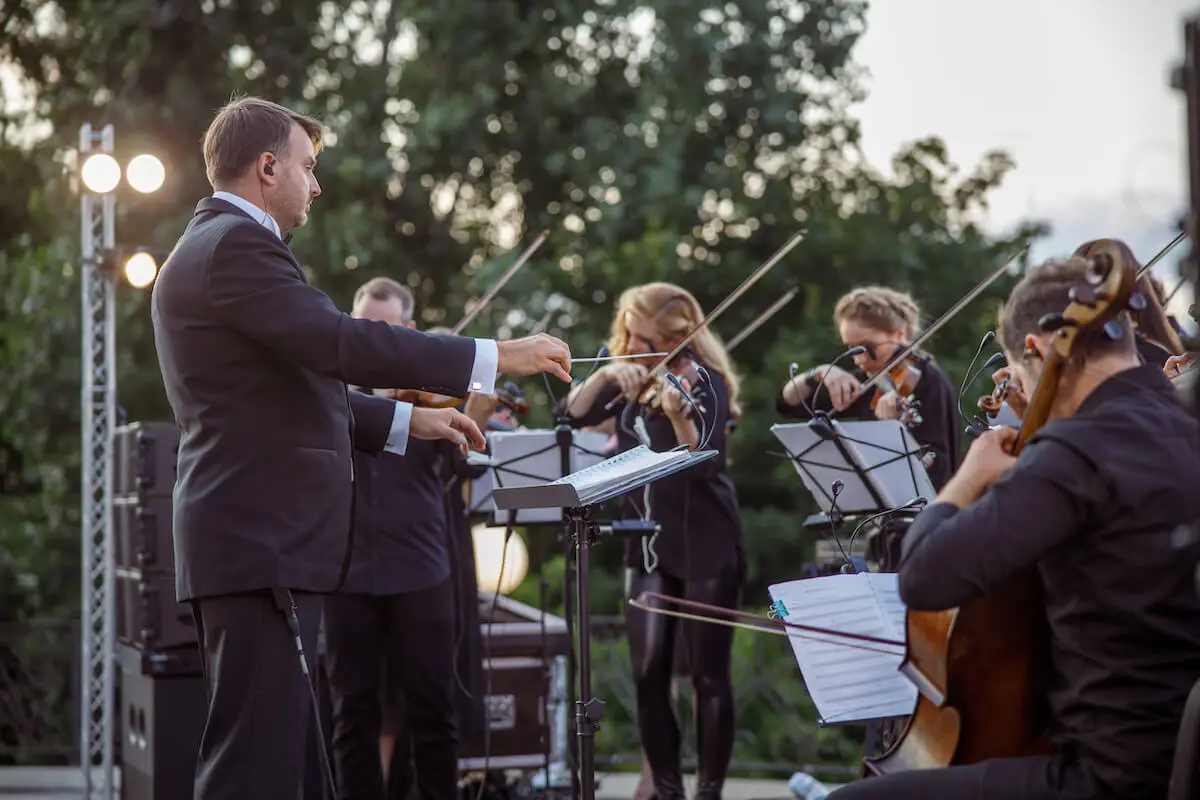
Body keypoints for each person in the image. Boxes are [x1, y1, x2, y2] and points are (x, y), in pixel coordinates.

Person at [150, 95, 572, 800]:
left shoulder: (218, 245)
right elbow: (340, 342)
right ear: (266, 167)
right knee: (254, 768)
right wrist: (494, 355)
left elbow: (289, 396)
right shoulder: (236, 247)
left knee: (286, 765)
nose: (316, 186)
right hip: (261, 542)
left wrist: (409, 423)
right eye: (307, 167)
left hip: (256, 542)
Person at [829, 255, 1200, 799]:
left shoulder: (1075, 452)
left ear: (1035, 350)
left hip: (1105, 776)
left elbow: (924, 577)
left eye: (1020, 371)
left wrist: (967, 478)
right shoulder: (1182, 423)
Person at [561, 283, 743, 800]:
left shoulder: (704, 380)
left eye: (648, 340)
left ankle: (709, 792)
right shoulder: (628, 378)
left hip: (707, 542)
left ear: (676, 336)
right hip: (646, 544)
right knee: (648, 673)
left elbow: (704, 462)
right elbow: (569, 417)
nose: (637, 347)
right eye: (631, 336)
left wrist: (680, 416)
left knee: (708, 675)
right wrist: (604, 373)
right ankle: (667, 790)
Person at [321, 278, 466, 800]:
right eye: (364, 327)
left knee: (433, 710)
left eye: (385, 329)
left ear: (408, 330)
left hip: (420, 571)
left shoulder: (431, 393)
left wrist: (474, 401)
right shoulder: (333, 396)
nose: (373, 340)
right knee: (351, 713)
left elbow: (461, 452)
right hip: (347, 574)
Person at [777, 285, 960, 491]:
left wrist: (895, 431)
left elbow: (940, 470)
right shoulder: (867, 380)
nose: (859, 359)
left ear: (900, 334)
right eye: (851, 348)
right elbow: (789, 404)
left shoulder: (928, 382)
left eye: (868, 348)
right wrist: (819, 373)